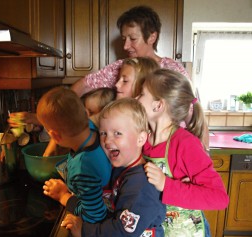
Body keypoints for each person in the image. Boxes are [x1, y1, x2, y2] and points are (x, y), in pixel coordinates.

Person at [137, 69, 229, 237]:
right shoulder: (143, 138)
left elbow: (219, 197)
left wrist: (166, 184)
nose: (136, 99)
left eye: (141, 94)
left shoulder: (185, 144)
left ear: (158, 105)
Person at [61, 98, 166, 237]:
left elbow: (121, 231)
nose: (107, 141)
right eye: (103, 133)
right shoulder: (120, 168)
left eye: (117, 133)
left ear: (140, 139)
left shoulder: (142, 187)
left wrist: (84, 231)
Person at [70, 5, 189, 97]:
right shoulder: (120, 67)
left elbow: (192, 111)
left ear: (152, 37)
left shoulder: (173, 69)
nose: (125, 46)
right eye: (123, 39)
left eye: (133, 39)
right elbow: (84, 85)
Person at [36, 86, 112, 223]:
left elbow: (95, 215)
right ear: (85, 112)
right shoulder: (90, 126)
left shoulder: (83, 170)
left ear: (54, 135)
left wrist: (63, 196)